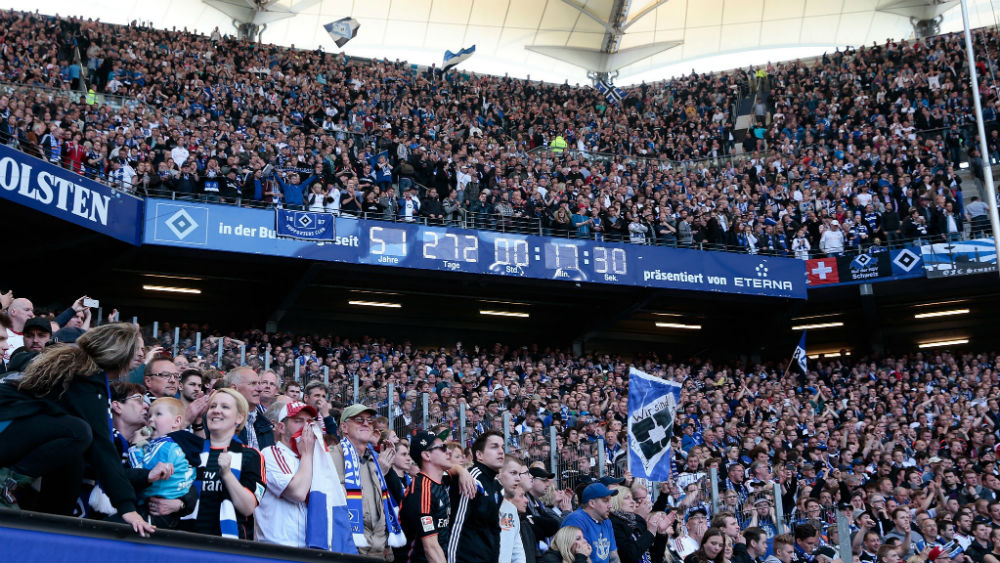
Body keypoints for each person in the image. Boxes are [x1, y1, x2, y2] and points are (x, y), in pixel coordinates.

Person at [0, 323, 153, 535]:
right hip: (6, 427)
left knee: (76, 451)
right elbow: (102, 445)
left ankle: (52, 525)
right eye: (136, 351)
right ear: (118, 356)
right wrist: (127, 506)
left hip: (12, 429)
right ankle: (5, 487)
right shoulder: (85, 377)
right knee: (78, 432)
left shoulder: (78, 365)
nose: (138, 359)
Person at [176, 388, 266, 539]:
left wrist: (227, 474)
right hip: (186, 541)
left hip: (229, 547)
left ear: (239, 418)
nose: (216, 411)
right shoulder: (190, 450)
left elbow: (247, 507)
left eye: (225, 407)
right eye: (213, 406)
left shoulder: (251, 456)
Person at [330, 403, 406, 560]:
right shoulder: (332, 456)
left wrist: (386, 548)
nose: (365, 423)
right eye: (359, 420)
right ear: (344, 427)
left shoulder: (374, 460)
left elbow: (380, 506)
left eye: (369, 420)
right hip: (349, 551)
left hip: (379, 553)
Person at [255, 400, 319, 547]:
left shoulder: (312, 457)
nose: (305, 426)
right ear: (281, 427)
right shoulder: (271, 453)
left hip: (307, 547)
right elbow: (297, 493)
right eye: (298, 421)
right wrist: (308, 454)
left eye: (309, 421)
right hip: (276, 547)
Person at [126, 397, 195, 528]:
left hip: (153, 513)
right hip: (166, 516)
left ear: (177, 421)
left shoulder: (164, 446)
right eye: (150, 415)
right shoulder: (177, 444)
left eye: (158, 414)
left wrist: (135, 446)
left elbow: (140, 471)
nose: (151, 419)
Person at [448, 430, 506, 563]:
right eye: (494, 447)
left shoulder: (497, 486)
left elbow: (494, 530)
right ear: (479, 455)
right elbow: (457, 526)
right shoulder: (471, 480)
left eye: (502, 447)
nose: (501, 451)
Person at [562, 483, 620, 563]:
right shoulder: (575, 520)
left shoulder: (606, 521)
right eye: (605, 501)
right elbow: (582, 557)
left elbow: (613, 556)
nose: (610, 505)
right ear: (592, 503)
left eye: (610, 500)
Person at [609, 484, 663, 563]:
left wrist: (662, 534)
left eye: (631, 498)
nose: (632, 501)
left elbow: (653, 557)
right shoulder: (614, 523)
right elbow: (630, 554)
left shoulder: (633, 520)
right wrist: (641, 518)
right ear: (616, 500)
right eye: (627, 498)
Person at [226, 366, 274, 450]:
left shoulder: (267, 425)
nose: (260, 389)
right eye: (253, 383)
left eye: (259, 383)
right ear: (234, 388)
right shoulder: (219, 420)